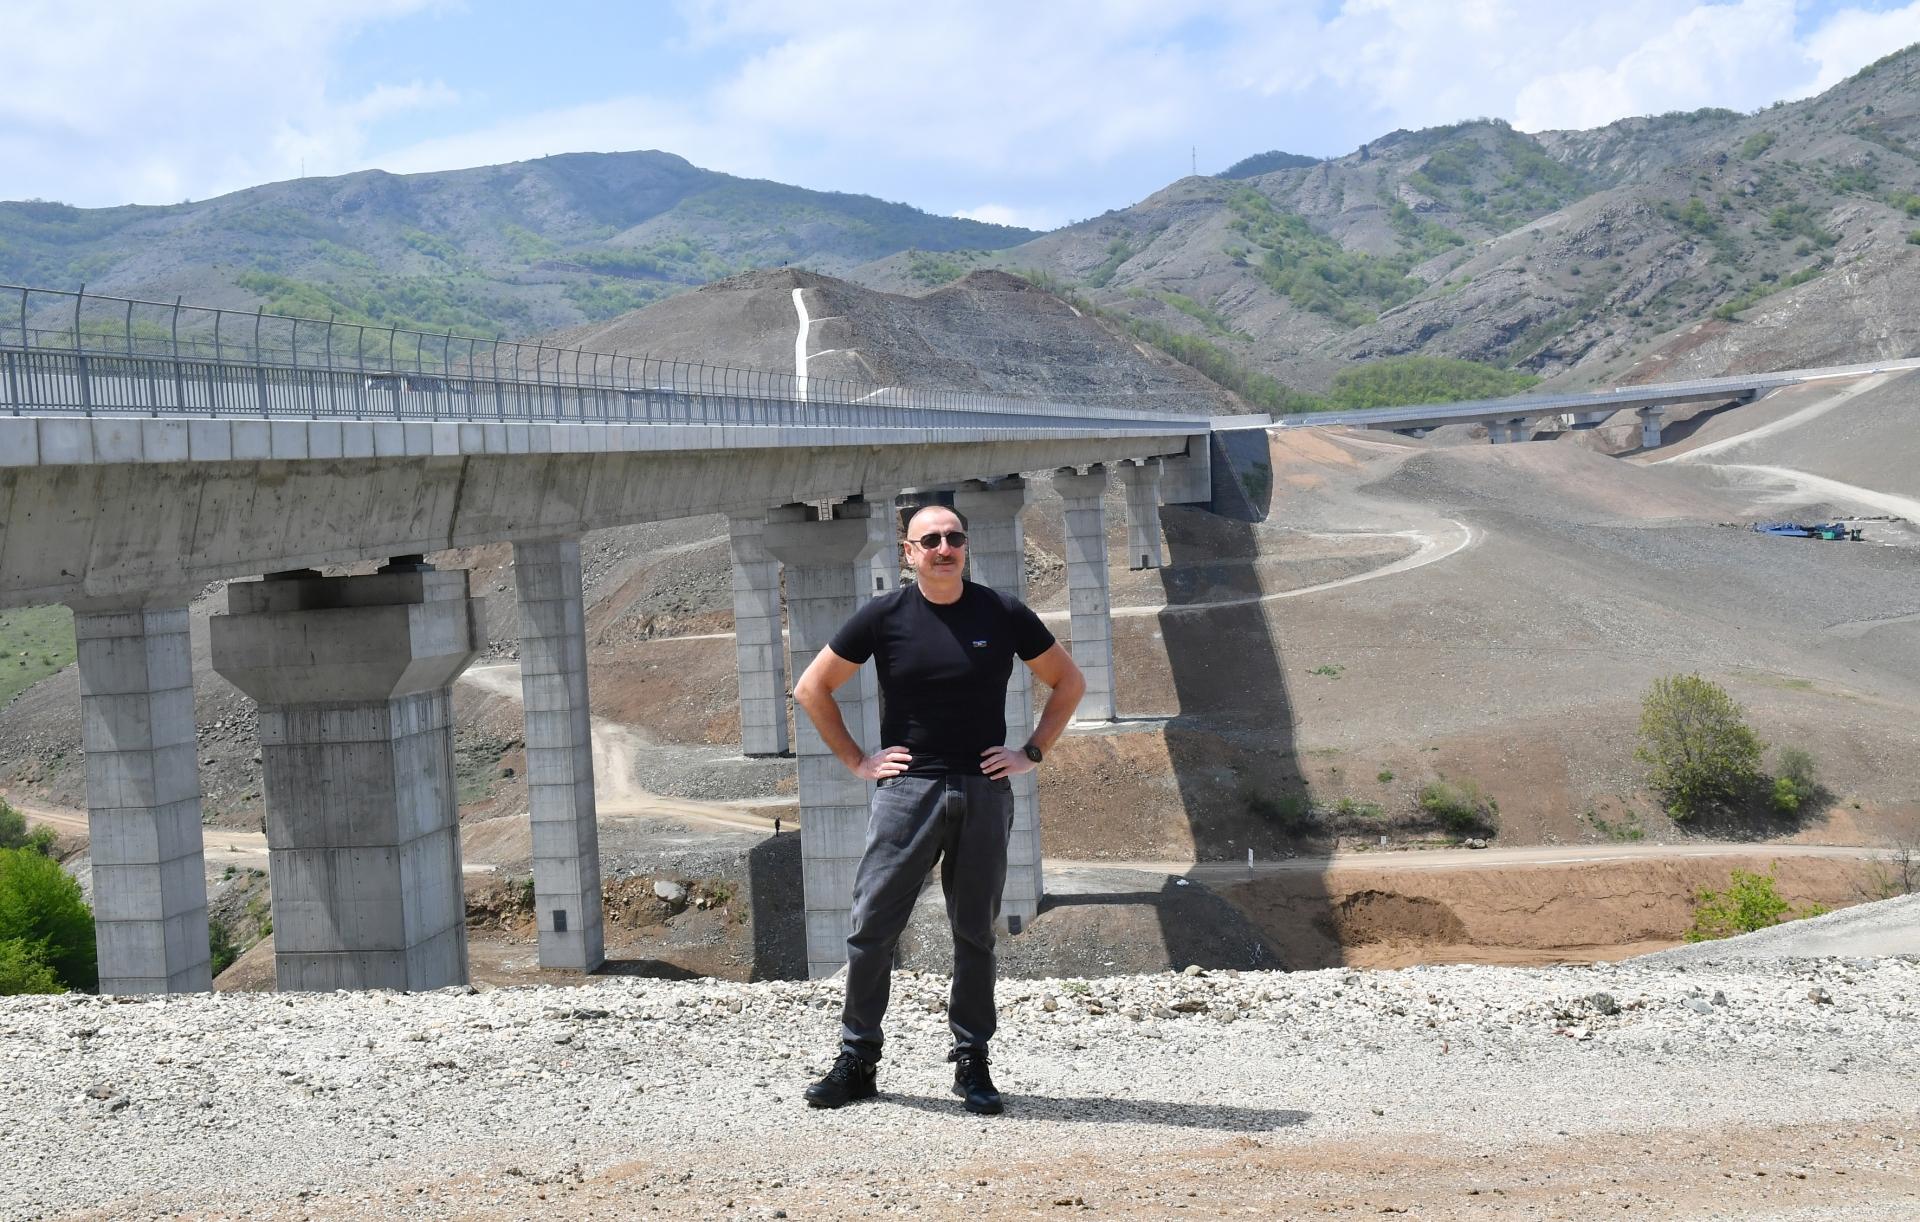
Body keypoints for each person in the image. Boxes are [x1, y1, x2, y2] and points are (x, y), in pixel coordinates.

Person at [791, 502, 1085, 1114]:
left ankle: (972, 1060)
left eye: (954, 538)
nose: (944, 548)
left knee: (973, 933)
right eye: (930, 541)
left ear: (965, 546)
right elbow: (811, 688)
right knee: (872, 928)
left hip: (983, 789)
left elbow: (1069, 681)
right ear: (909, 552)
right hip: (908, 792)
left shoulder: (1002, 612)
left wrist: (1031, 751)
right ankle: (857, 1059)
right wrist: (858, 761)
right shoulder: (884, 616)